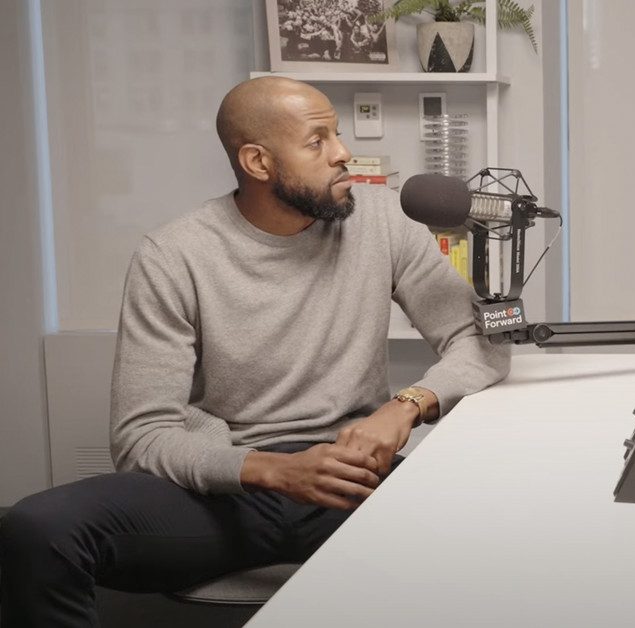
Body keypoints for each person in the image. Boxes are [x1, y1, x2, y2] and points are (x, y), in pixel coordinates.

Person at [0, 76, 509, 626]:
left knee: (499, 528)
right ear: (258, 162)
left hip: (353, 478)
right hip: (227, 490)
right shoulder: (173, 255)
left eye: (337, 134)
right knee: (38, 530)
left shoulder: (384, 221)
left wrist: (405, 405)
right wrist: (272, 471)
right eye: (317, 142)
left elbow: (481, 342)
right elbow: (141, 437)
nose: (342, 153)